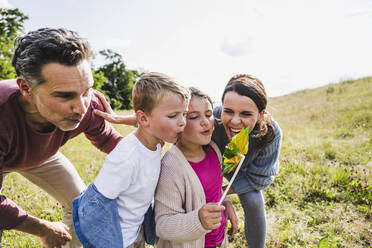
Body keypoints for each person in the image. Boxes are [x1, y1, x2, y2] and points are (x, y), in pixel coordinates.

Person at [0, 28, 123, 248]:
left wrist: (153, 158)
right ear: (26, 88)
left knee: (81, 207)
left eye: (87, 91)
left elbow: (107, 139)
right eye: (64, 96)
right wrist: (42, 228)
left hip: (40, 153)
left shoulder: (88, 104)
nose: (81, 107)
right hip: (7, 144)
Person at [72, 72, 190, 248]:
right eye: (173, 116)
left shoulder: (157, 139)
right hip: (114, 240)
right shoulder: (127, 157)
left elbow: (149, 122)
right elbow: (94, 205)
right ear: (143, 118)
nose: (182, 122)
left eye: (184, 114)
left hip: (136, 233)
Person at [154, 87, 238, 248]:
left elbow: (211, 190)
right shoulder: (171, 167)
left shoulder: (214, 150)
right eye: (194, 117)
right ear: (179, 122)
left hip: (219, 241)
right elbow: (162, 225)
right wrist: (198, 220)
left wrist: (225, 201)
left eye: (208, 114)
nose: (205, 121)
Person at [212, 74, 282, 248]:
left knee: (253, 200)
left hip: (243, 171)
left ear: (260, 115)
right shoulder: (211, 117)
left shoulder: (271, 133)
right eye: (228, 111)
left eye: (246, 114)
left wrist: (222, 194)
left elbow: (259, 178)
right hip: (211, 162)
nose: (235, 121)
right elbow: (171, 122)